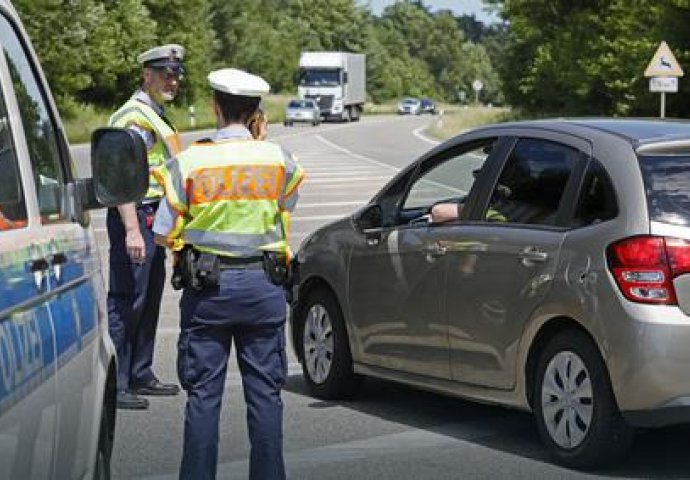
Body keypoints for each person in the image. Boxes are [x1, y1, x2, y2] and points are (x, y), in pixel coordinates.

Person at [152, 67, 305, 480]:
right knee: (266, 397)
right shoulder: (277, 158)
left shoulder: (190, 160)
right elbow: (285, 209)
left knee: (203, 398)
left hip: (208, 290)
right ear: (256, 111)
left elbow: (162, 232)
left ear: (215, 107)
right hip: (264, 288)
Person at [107, 44, 184, 410]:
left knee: (149, 297)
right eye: (165, 73)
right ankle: (117, 383)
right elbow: (120, 178)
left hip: (153, 214)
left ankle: (140, 372)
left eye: (176, 74)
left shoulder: (155, 113)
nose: (173, 79)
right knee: (127, 299)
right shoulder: (133, 118)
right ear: (146, 75)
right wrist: (132, 230)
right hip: (134, 214)